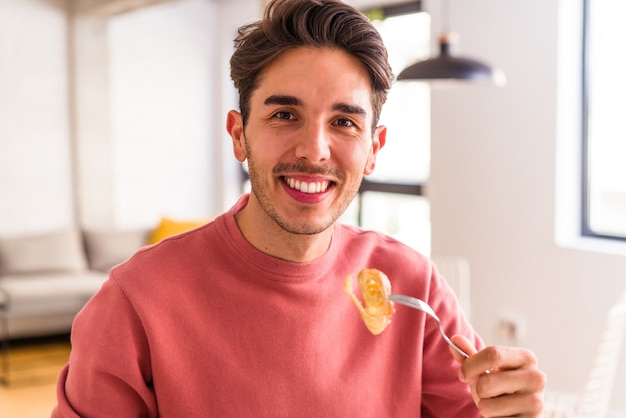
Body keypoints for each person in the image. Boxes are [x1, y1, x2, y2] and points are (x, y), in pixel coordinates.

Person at [52, 0, 546, 416]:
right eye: (285, 115)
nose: (314, 150)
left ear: (375, 149)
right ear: (239, 135)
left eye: (344, 122)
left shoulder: (413, 285)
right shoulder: (135, 302)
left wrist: (511, 408)